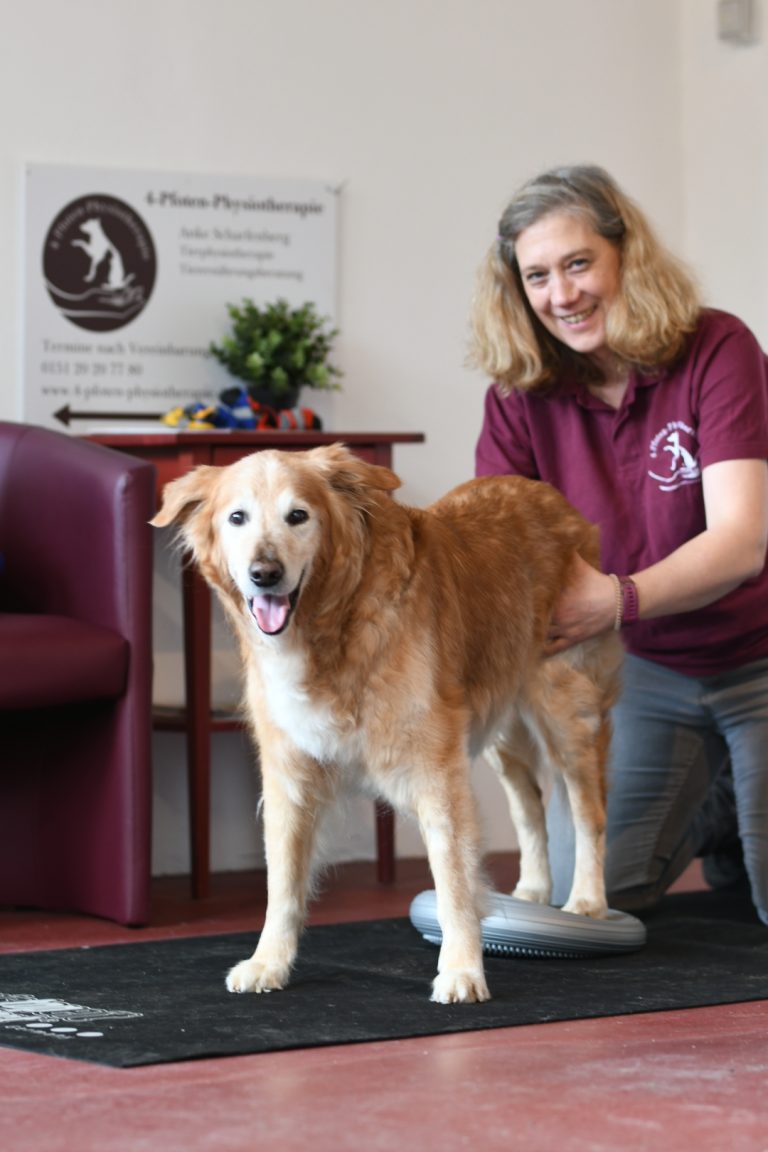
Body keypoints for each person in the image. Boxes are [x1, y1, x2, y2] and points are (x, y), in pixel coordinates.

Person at [470, 164, 768, 925]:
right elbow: (504, 551)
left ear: (624, 255)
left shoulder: (718, 346)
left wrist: (616, 598)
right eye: (537, 276)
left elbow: (742, 543)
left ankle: (739, 798)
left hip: (757, 653)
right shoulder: (517, 397)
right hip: (645, 670)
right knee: (585, 891)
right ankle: (716, 801)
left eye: (578, 264)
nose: (562, 295)